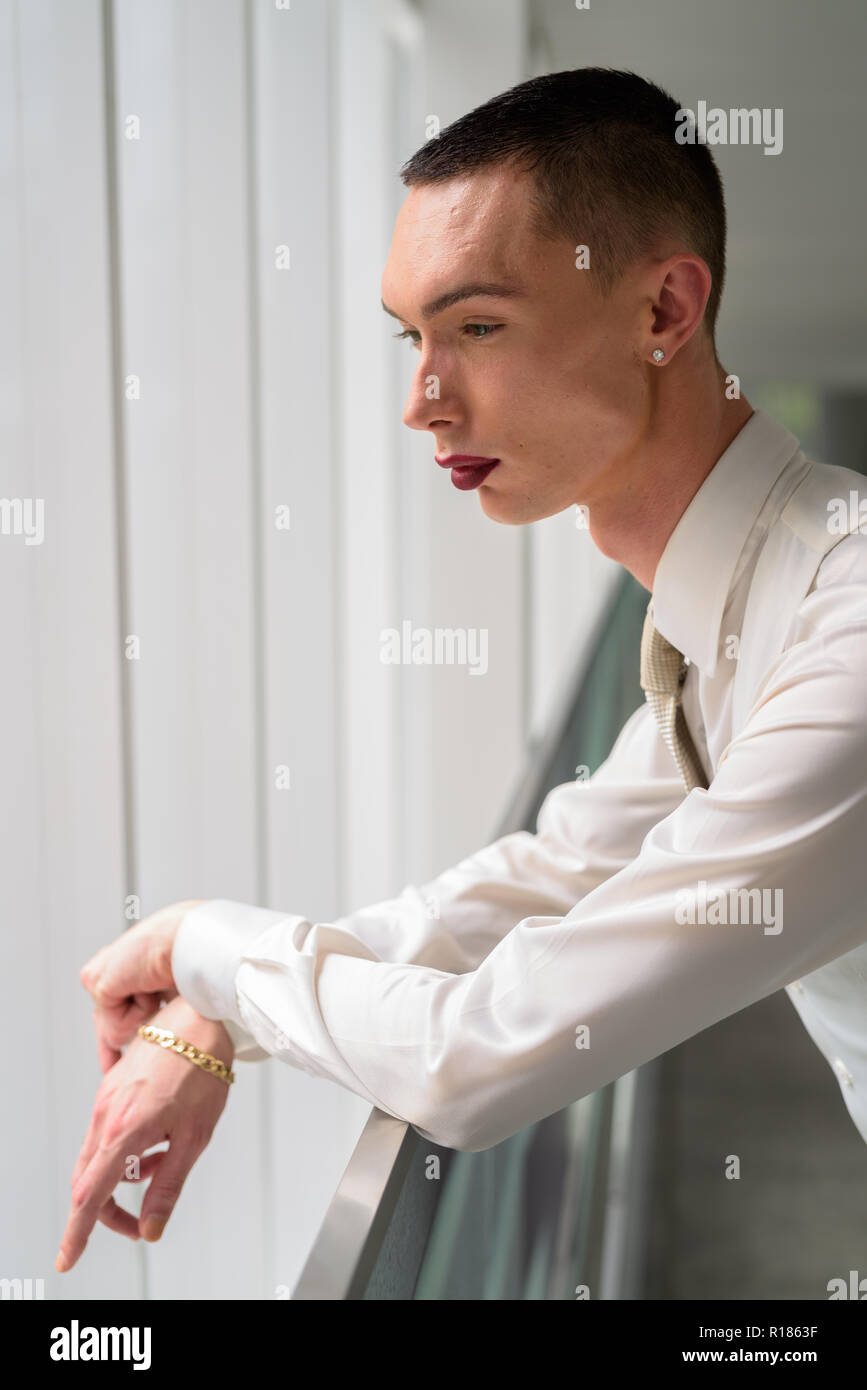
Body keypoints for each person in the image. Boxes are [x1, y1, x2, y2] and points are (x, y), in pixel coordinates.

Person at [57, 67, 867, 1274]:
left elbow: (485, 1054)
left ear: (664, 312)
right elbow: (550, 882)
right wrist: (209, 1015)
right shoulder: (739, 614)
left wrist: (204, 945)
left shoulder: (840, 625)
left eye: (477, 327)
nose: (422, 402)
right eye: (412, 336)